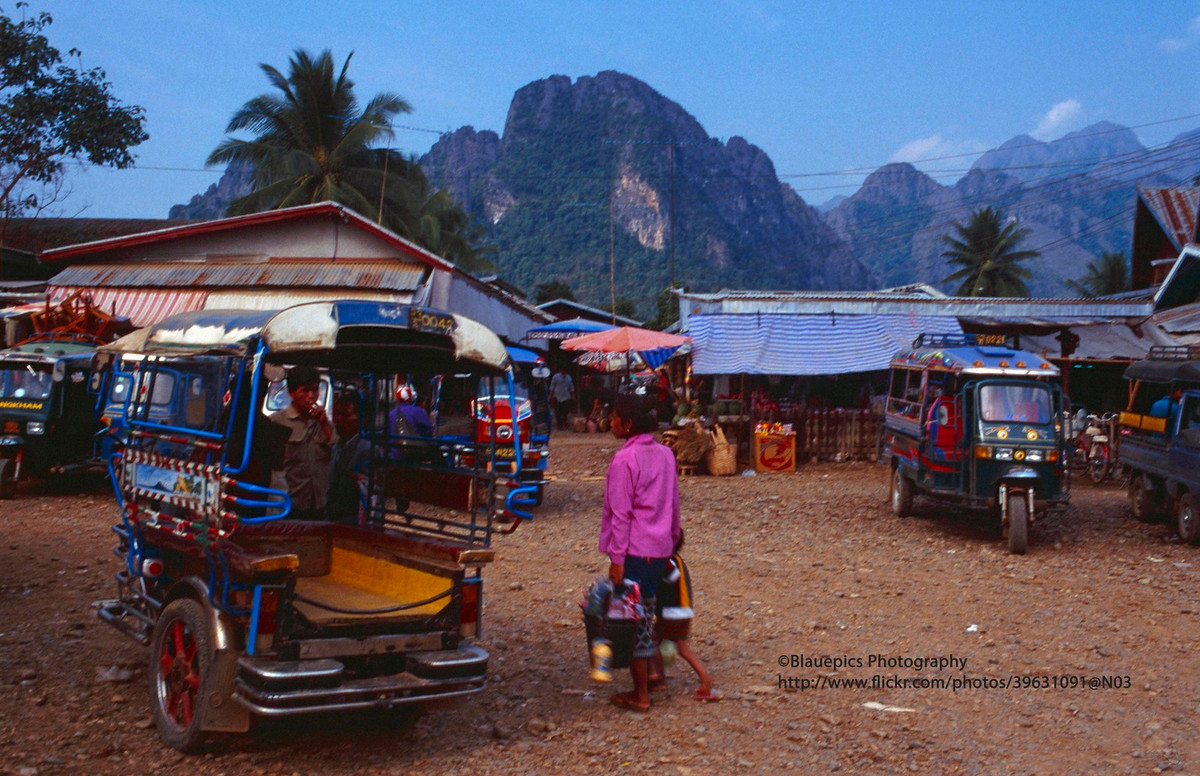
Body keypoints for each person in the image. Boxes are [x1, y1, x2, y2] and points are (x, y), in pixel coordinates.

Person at [599, 393, 681, 713]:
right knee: (647, 611)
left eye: (615, 417)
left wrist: (616, 560)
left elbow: (621, 515)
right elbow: (673, 505)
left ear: (628, 424)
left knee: (634, 622)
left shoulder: (624, 461)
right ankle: (656, 676)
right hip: (659, 551)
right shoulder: (665, 455)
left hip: (635, 552)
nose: (610, 422)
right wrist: (672, 543)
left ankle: (641, 694)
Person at [651, 530, 718, 702]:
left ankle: (659, 679)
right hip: (685, 612)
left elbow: (666, 579)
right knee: (683, 648)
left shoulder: (668, 562)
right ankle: (706, 680)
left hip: (671, 613)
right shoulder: (679, 561)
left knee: (653, 641)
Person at [269, 365, 334, 520]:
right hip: (291, 503)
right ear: (292, 393)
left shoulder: (323, 422)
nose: (311, 396)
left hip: (320, 503)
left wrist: (324, 424)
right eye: (304, 391)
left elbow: (336, 452)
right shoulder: (278, 422)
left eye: (315, 390)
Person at [326, 391, 371, 524]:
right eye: (337, 414)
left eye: (345, 415)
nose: (338, 420)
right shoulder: (338, 446)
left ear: (362, 420)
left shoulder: (367, 448)